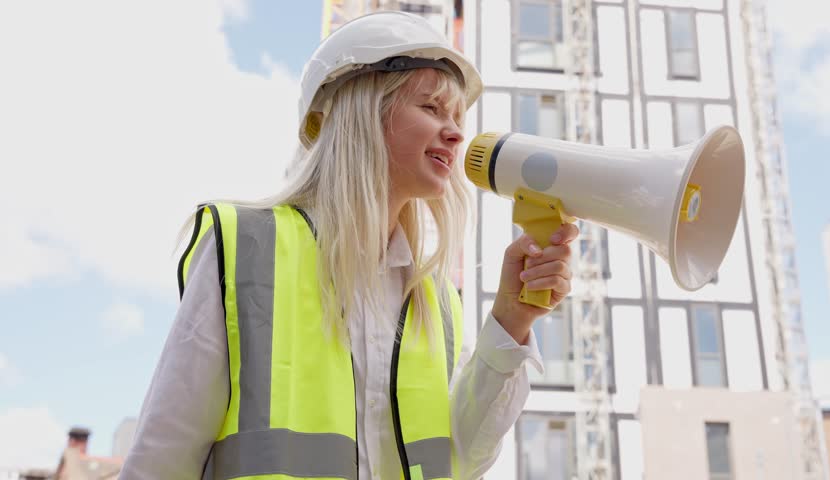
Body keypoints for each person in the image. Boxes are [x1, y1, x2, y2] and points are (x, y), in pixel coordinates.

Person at [119, 11, 578, 480]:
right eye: (432, 108)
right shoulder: (245, 250)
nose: (458, 133)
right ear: (361, 111)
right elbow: (162, 458)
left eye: (457, 116)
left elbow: (462, 457)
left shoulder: (434, 301)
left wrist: (511, 319)